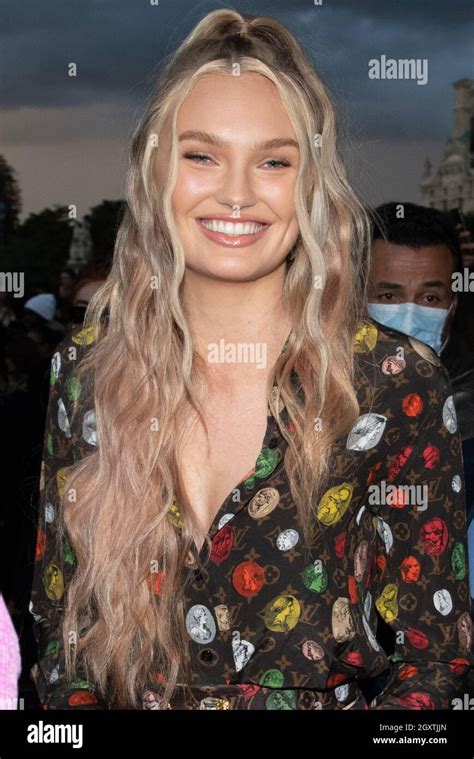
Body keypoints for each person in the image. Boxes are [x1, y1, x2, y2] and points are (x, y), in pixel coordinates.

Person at [29, 9, 471, 711]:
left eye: (274, 160)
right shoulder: (87, 373)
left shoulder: (396, 385)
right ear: (156, 172)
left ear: (309, 183)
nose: (237, 193)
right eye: (201, 154)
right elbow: (62, 642)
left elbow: (435, 658)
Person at [367, 202, 474, 621]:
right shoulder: (313, 408)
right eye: (389, 295)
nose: (409, 314)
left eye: (429, 296)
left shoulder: (467, 419)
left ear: (452, 303)